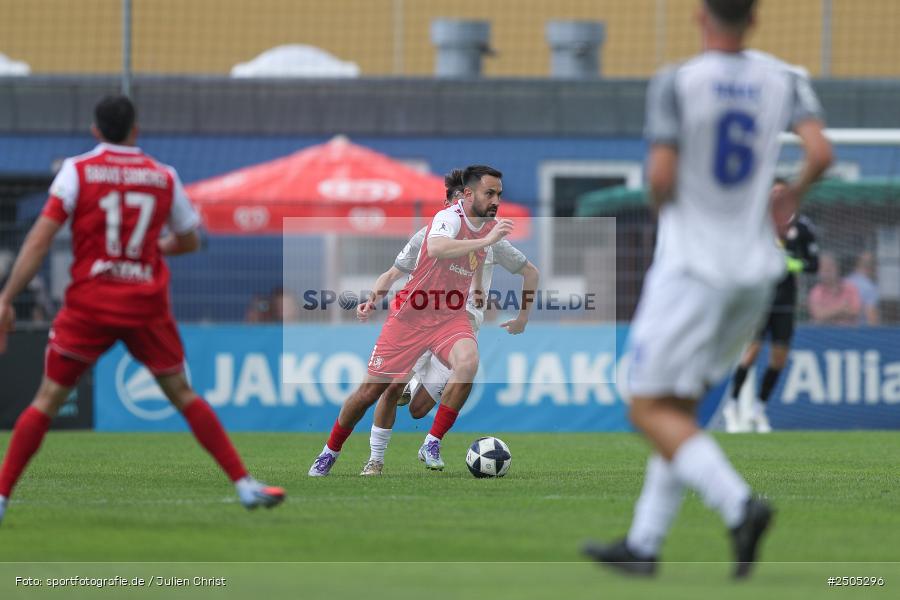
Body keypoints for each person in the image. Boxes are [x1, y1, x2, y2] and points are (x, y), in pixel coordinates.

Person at [582, 0, 832, 579]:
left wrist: (673, 205)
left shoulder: (677, 81)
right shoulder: (785, 78)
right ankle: (645, 545)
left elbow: (662, 179)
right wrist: (791, 193)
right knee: (681, 407)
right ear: (755, 18)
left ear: (700, 17)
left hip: (692, 267)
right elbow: (821, 153)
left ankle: (739, 505)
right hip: (756, 271)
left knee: (644, 406)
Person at [0, 95, 284, 525]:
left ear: (96, 130)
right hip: (144, 304)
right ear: (136, 129)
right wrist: (155, 247)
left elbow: (39, 240)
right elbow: (189, 239)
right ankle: (244, 484)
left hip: (90, 303)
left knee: (47, 400)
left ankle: (2, 497)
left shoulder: (76, 172)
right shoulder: (163, 177)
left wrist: (5, 298)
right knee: (183, 394)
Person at [307, 165, 512, 476]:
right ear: (465, 197)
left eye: (499, 194)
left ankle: (431, 442)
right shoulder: (447, 220)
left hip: (450, 316)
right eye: (490, 193)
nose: (496, 200)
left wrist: (482, 291)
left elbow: (485, 268)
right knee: (371, 392)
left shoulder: (488, 227)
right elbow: (435, 249)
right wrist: (373, 300)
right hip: (411, 317)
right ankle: (330, 451)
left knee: (467, 363)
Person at [357, 169, 539, 476]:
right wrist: (372, 299)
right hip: (419, 318)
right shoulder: (430, 234)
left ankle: (426, 429)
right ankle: (375, 459)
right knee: (390, 389)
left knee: (418, 410)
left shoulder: (490, 236)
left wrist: (521, 316)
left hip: (459, 326)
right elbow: (392, 273)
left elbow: (527, 271)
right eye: (453, 204)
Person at [723, 180, 819, 434]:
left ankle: (758, 409)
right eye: (772, 192)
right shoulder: (756, 225)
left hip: (785, 302)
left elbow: (813, 264)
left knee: (779, 359)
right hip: (759, 301)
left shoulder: (803, 227)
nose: (776, 196)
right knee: (751, 352)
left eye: (780, 192)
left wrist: (792, 264)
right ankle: (732, 406)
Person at [808, 252, 862, 325]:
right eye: (823, 268)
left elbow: (855, 312)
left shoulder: (851, 288)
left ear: (837, 268)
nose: (827, 270)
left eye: (830, 266)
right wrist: (841, 308)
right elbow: (818, 315)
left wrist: (827, 313)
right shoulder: (816, 291)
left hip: (848, 333)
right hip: (824, 333)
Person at [846, 251, 879, 325]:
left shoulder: (846, 281)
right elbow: (872, 318)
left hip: (841, 330)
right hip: (861, 332)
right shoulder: (869, 287)